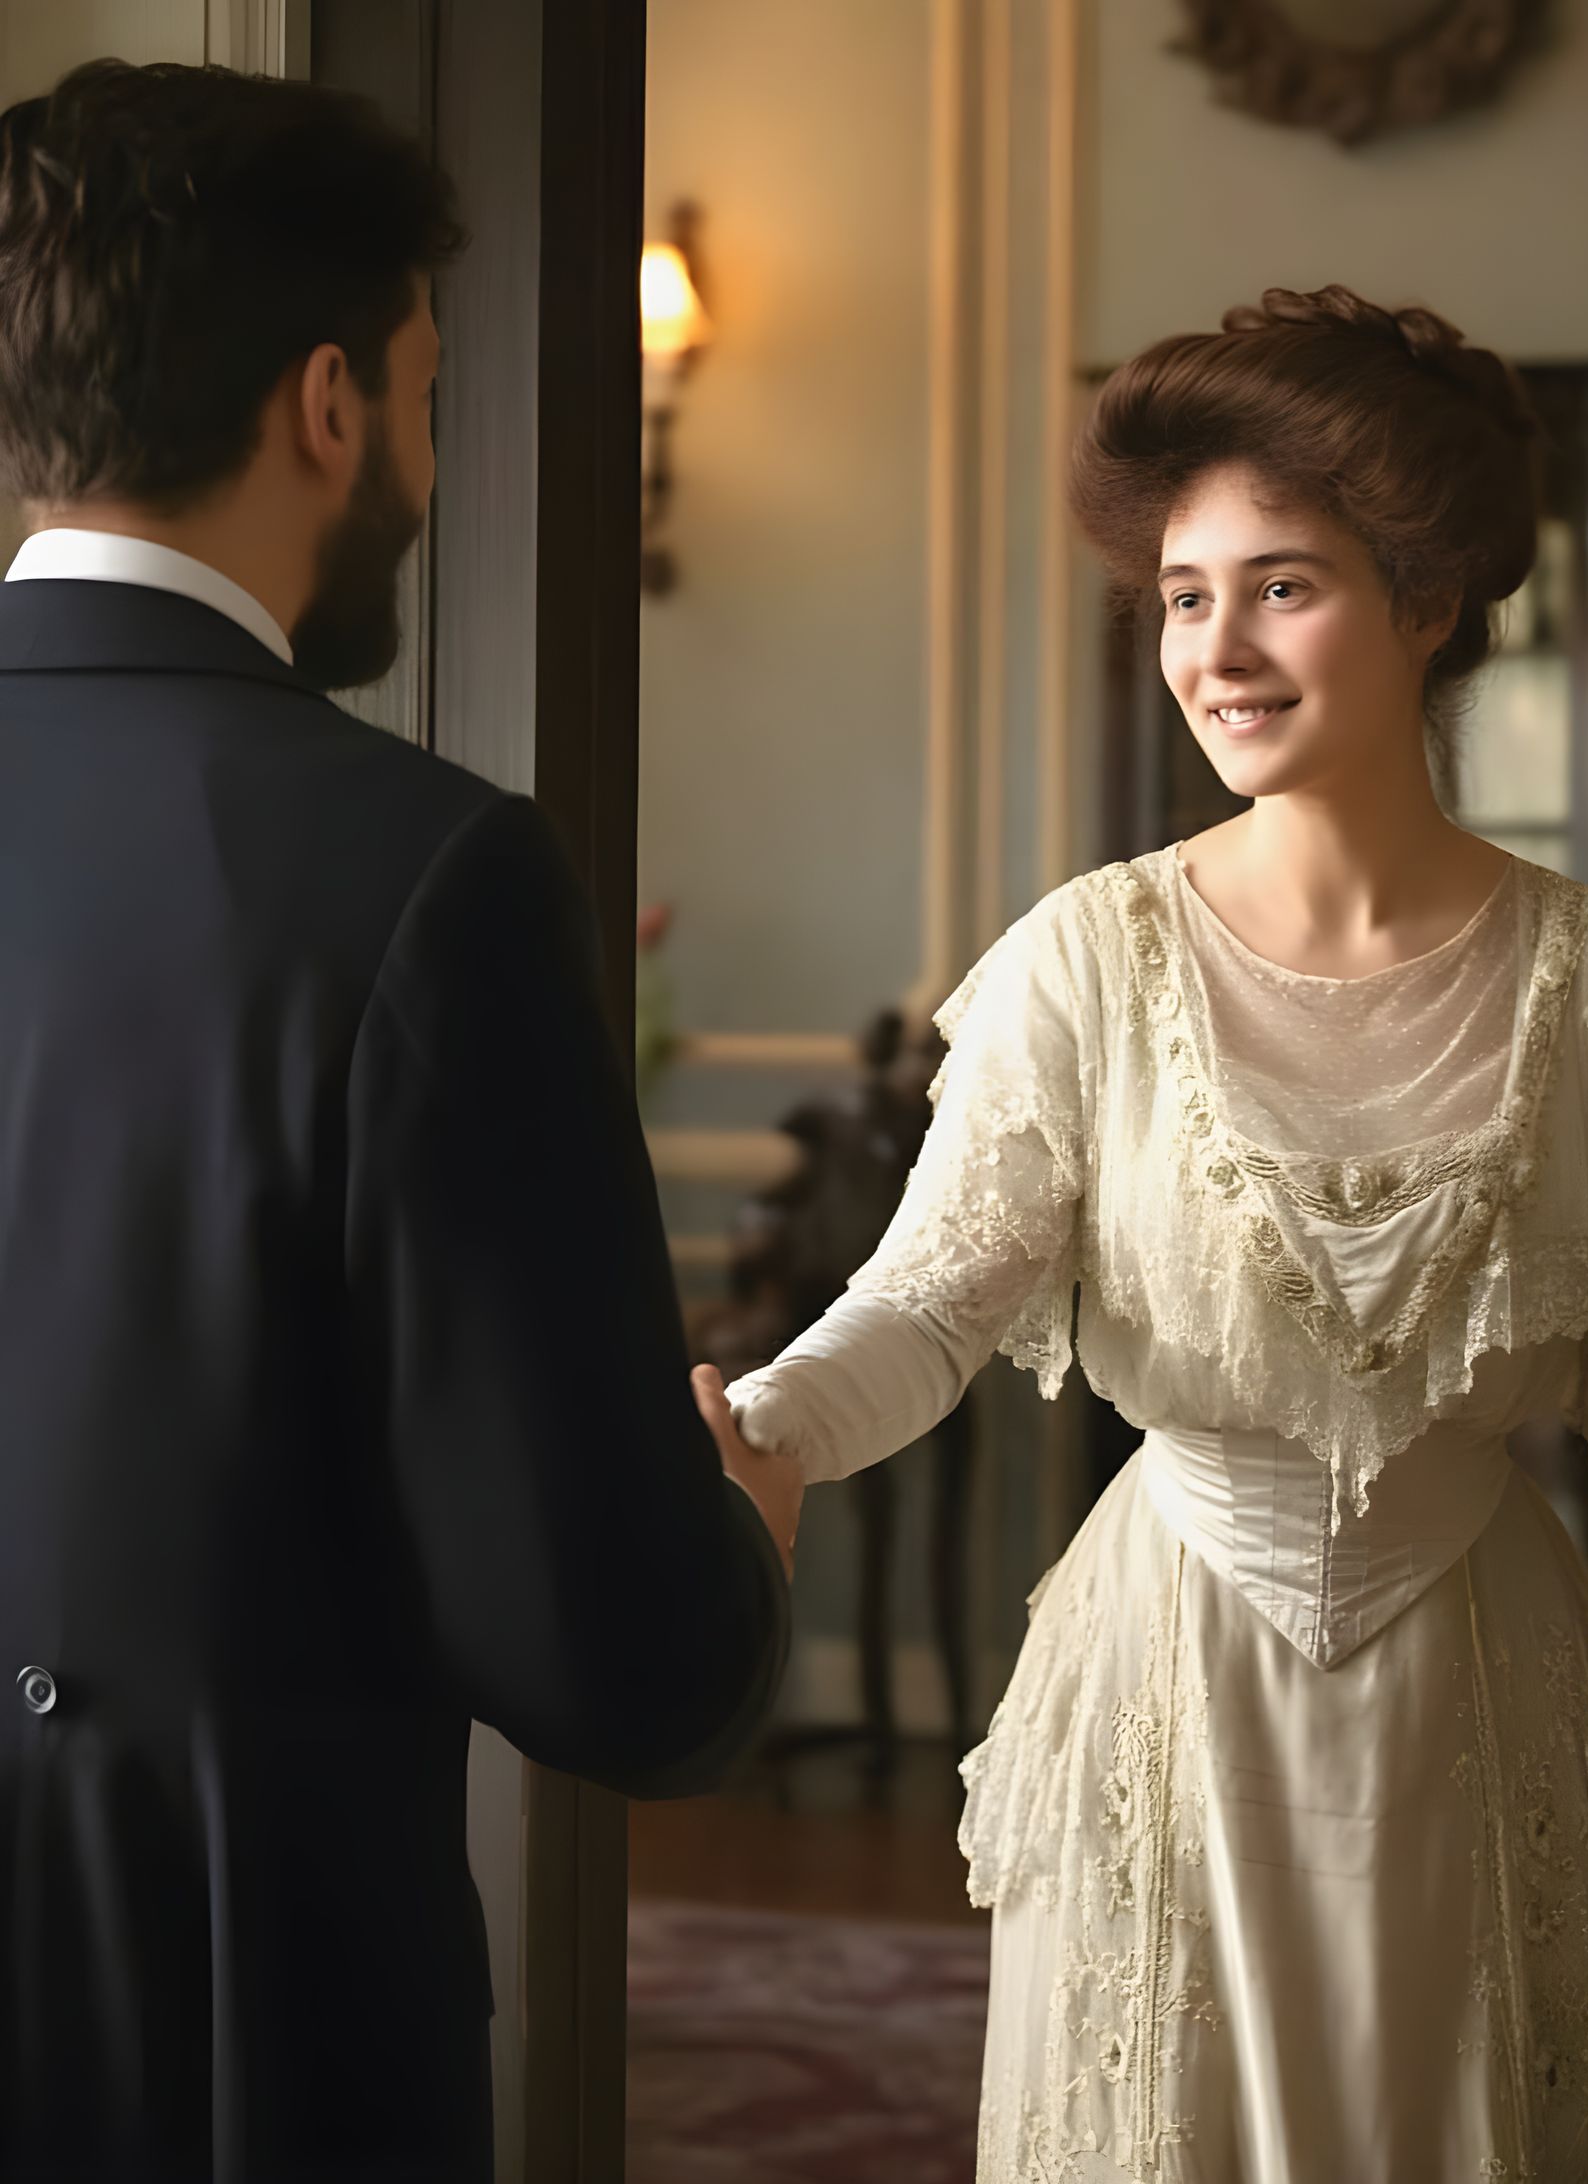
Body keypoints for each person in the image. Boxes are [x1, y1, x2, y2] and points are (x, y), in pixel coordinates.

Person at [0, 59, 801, 2184]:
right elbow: (610, 1651)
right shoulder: (419, 873)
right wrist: (736, 1549)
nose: (427, 461)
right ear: (328, 402)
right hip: (219, 2035)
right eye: (433, 400)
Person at [714, 285, 1588, 2180]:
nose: (1216, 650)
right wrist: (767, 1432)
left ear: (1430, 600)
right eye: (1185, 597)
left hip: (1489, 1689)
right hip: (1171, 1678)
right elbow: (931, 1305)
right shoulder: (1085, 964)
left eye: (1282, 586)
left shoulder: (1581, 989)